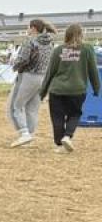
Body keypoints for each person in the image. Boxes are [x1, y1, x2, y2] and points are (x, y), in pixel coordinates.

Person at [40, 24, 100, 153]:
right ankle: (67, 136)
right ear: (81, 34)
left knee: (57, 116)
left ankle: (59, 144)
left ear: (66, 34)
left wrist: (43, 92)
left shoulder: (58, 50)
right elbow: (93, 71)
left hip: (57, 89)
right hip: (77, 90)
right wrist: (96, 88)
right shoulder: (88, 49)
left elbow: (50, 72)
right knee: (75, 114)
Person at [7, 19, 56, 147]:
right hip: (43, 77)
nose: (27, 30)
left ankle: (24, 133)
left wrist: (14, 66)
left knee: (15, 106)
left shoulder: (30, 41)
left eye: (28, 27)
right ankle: (29, 135)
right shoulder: (50, 43)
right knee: (32, 109)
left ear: (33, 28)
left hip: (28, 76)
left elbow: (23, 59)